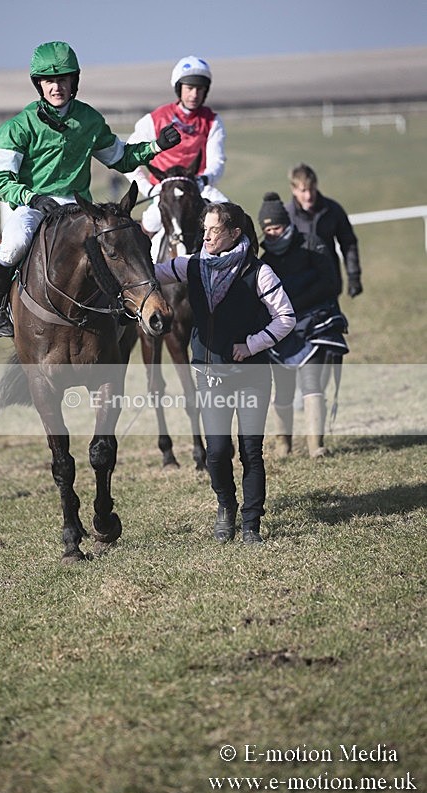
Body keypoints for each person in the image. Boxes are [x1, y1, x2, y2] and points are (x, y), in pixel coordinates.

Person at [0, 40, 181, 337]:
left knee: (118, 239)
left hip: (78, 208)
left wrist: (155, 146)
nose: (56, 87)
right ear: (39, 85)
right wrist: (33, 198)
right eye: (49, 81)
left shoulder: (89, 120)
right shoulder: (18, 127)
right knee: (14, 244)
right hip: (32, 205)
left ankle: (124, 304)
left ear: (73, 82)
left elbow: (121, 158)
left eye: (62, 80)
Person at [154, 202, 295, 544]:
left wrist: (252, 345)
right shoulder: (191, 265)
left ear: (234, 233)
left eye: (214, 230)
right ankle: (225, 507)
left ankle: (251, 523)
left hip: (252, 374)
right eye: (205, 229)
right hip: (209, 371)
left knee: (251, 451)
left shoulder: (258, 272)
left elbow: (286, 318)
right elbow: (148, 274)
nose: (207, 236)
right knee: (217, 451)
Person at [258, 192, 349, 458]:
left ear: (285, 223)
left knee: (311, 383)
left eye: (275, 226)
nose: (271, 233)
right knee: (283, 389)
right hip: (283, 329)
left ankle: (315, 445)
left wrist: (294, 303)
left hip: (315, 322)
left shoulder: (312, 244)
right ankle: (283, 445)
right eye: (267, 229)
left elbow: (329, 283)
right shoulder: (267, 260)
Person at [125, 55, 228, 239]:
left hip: (199, 188)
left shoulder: (213, 121)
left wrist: (203, 180)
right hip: (164, 191)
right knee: (150, 223)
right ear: (179, 88)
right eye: (189, 88)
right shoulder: (154, 119)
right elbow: (128, 157)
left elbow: (217, 162)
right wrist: (146, 188)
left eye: (200, 89)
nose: (194, 95)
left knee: (230, 218)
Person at [285, 163, 363, 298]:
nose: (309, 196)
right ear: (293, 189)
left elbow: (348, 243)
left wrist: (353, 276)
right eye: (303, 191)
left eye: (312, 189)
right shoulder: (286, 216)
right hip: (299, 287)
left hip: (329, 283)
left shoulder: (333, 210)